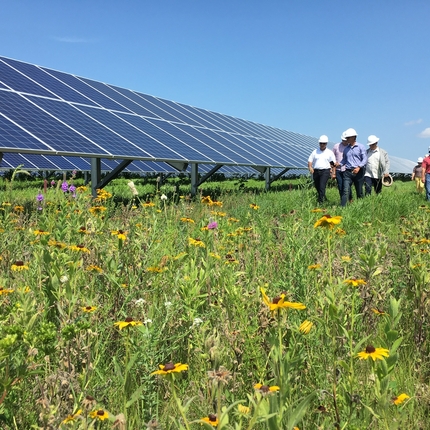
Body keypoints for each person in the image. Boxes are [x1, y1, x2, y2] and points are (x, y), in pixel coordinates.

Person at [340, 128, 367, 207]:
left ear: (353, 137)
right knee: (345, 190)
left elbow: (365, 159)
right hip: (348, 172)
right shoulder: (346, 149)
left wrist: (359, 167)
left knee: (359, 191)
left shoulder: (361, 147)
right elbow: (344, 160)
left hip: (359, 171)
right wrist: (338, 164)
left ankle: (361, 208)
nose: (346, 139)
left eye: (348, 137)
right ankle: (343, 208)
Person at [308, 135, 336, 204]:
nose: (322, 145)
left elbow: (333, 163)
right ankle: (324, 198)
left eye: (324, 143)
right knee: (317, 186)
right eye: (321, 143)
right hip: (316, 171)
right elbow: (310, 160)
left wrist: (333, 173)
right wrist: (310, 167)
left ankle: (321, 202)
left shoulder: (329, 153)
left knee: (322, 186)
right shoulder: (315, 152)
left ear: (326, 143)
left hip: (325, 171)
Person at [332, 131, 352, 203]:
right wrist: (333, 171)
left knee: (347, 187)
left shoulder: (350, 147)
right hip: (338, 170)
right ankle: (342, 201)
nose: (344, 141)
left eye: (345, 140)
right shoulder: (336, 146)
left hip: (347, 169)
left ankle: (349, 199)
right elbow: (332, 158)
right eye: (343, 140)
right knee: (340, 186)